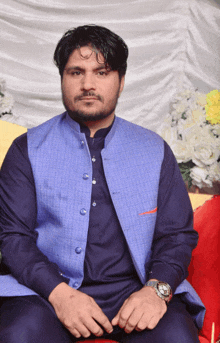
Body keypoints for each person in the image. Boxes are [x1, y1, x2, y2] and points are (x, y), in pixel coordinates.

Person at [0, 24, 205, 343]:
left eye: (102, 72)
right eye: (76, 72)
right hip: (45, 294)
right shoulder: (26, 149)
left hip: (135, 292)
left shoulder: (153, 150)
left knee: (177, 337)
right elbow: (13, 237)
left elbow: (176, 235)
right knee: (18, 334)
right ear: (62, 80)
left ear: (121, 82)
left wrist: (155, 291)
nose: (88, 84)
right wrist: (59, 294)